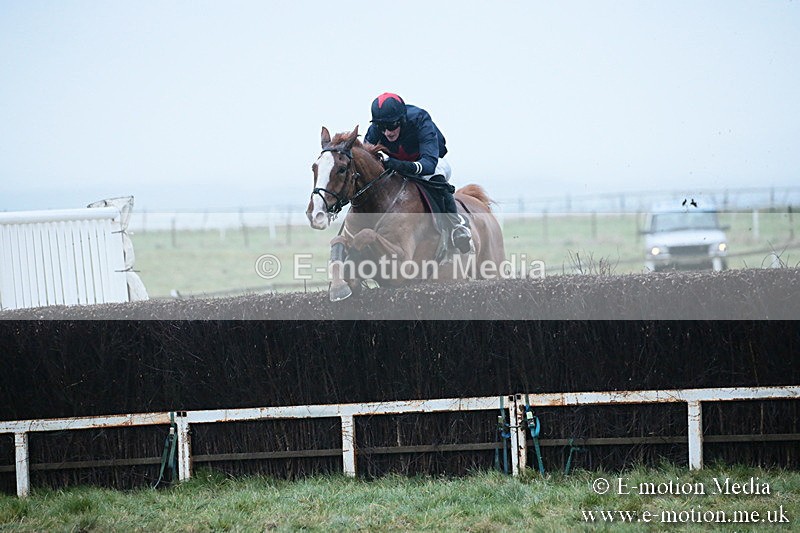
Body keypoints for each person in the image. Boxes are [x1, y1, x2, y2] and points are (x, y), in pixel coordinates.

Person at [364, 92, 473, 254]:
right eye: (382, 127)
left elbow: (429, 165)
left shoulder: (420, 120)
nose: (387, 132)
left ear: (402, 119)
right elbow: (366, 160)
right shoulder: (375, 130)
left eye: (392, 125)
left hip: (430, 161)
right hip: (397, 164)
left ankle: (456, 226)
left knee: (435, 175)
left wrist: (395, 164)